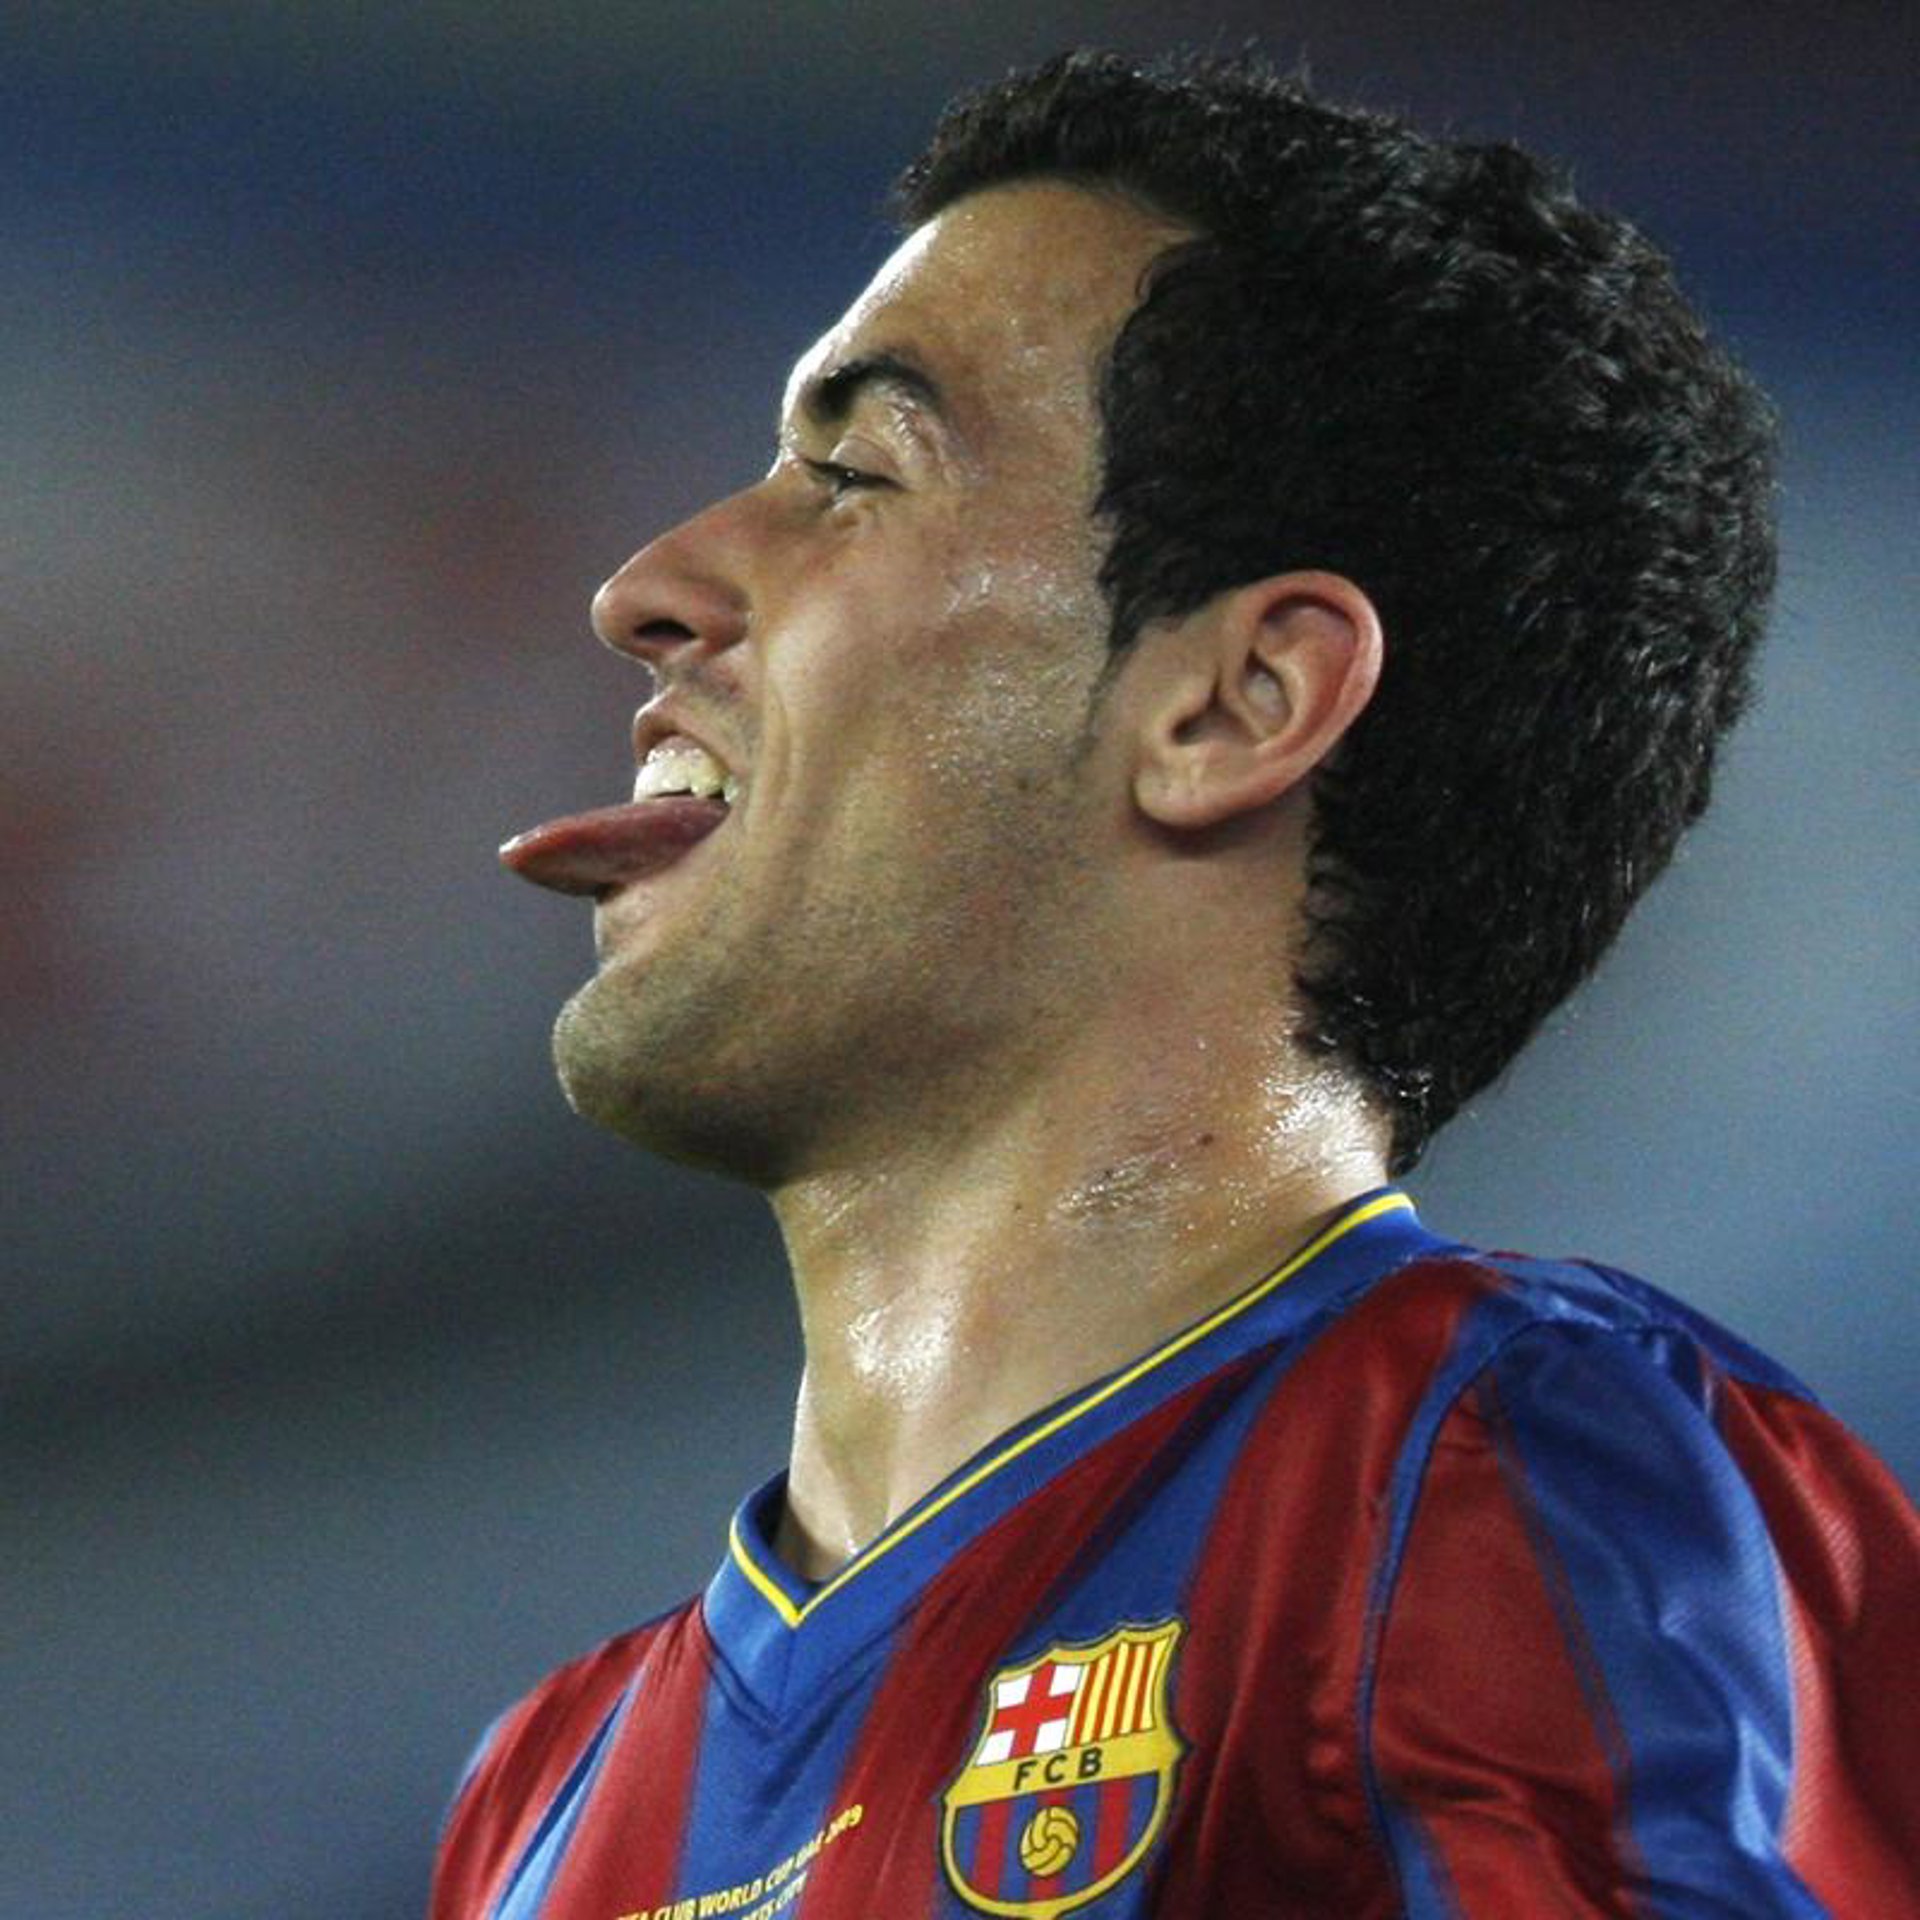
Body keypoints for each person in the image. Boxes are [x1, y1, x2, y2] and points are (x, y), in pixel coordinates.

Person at [432, 50, 1919, 1920]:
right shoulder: (545, 1796)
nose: (649, 584)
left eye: (852, 476)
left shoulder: (1474, 1471)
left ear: (1234, 705)